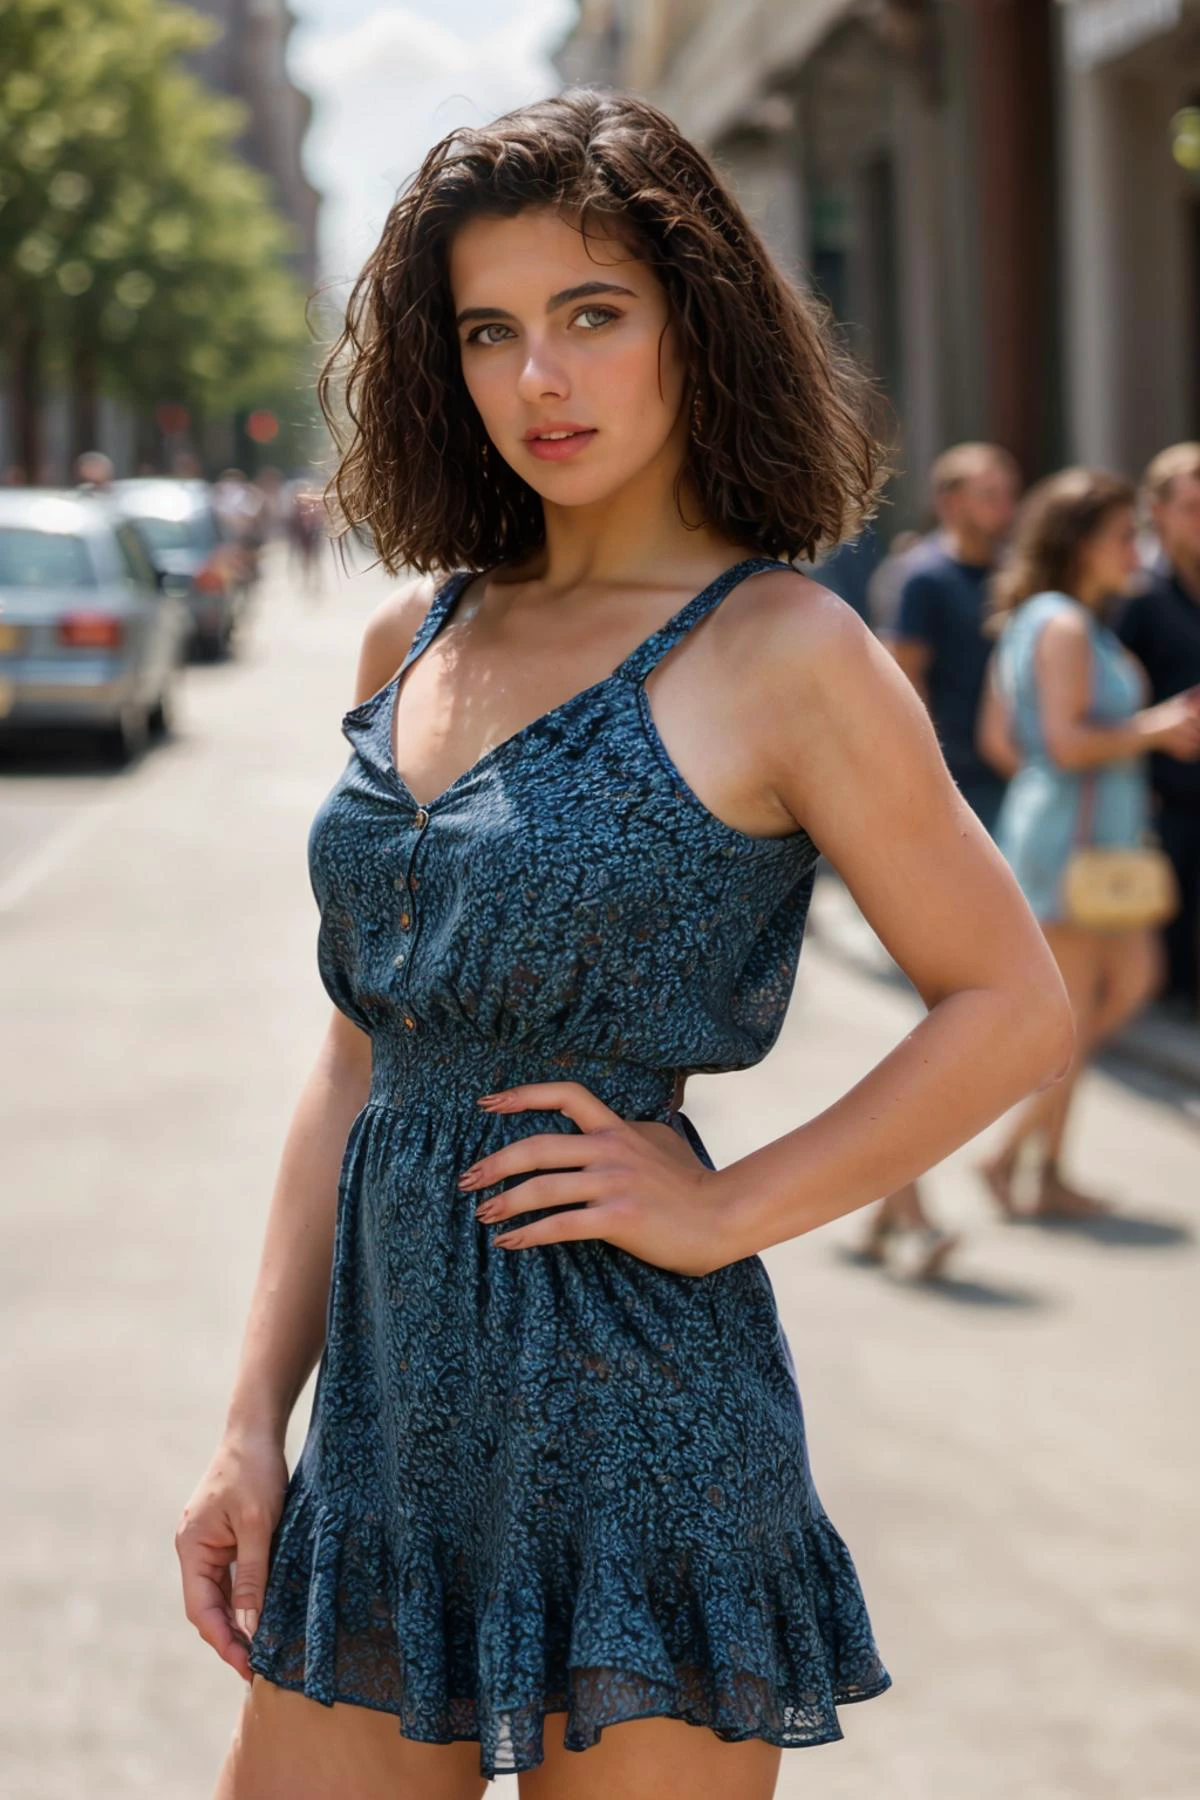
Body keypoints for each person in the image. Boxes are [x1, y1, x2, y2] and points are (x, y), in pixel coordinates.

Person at [175, 90, 1072, 1800]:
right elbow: (357, 1058)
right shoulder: (409, 634)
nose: (541, 378)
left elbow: (1011, 1002)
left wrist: (730, 1207)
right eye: (490, 332)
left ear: (694, 326)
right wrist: (247, 1428)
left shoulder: (785, 648)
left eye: (593, 316)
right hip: (383, 1428)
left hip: (641, 1431)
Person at [975, 468, 1200, 1217]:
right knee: (1072, 1018)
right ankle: (1008, 1157)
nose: (1136, 548)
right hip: (1074, 845)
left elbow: (1003, 740)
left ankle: (1043, 1168)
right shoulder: (1066, 625)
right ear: (1080, 542)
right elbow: (1065, 744)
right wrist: (1152, 731)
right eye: (1122, 536)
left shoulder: (1050, 618)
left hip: (1079, 834)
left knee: (1121, 987)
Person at [859, 443, 1021, 1275]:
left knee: (965, 1013)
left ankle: (891, 1211)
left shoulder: (1007, 575)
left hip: (1004, 796)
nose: (1003, 505)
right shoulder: (923, 578)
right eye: (987, 492)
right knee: (949, 1015)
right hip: (948, 805)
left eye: (1008, 492)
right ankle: (909, 1211)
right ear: (951, 499)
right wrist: (922, 806)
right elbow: (902, 686)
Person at [1115, 443, 1200, 1019]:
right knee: (1166, 953)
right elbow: (1116, 695)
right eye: (1191, 507)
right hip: (1162, 796)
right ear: (1159, 512)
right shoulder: (1138, 595)